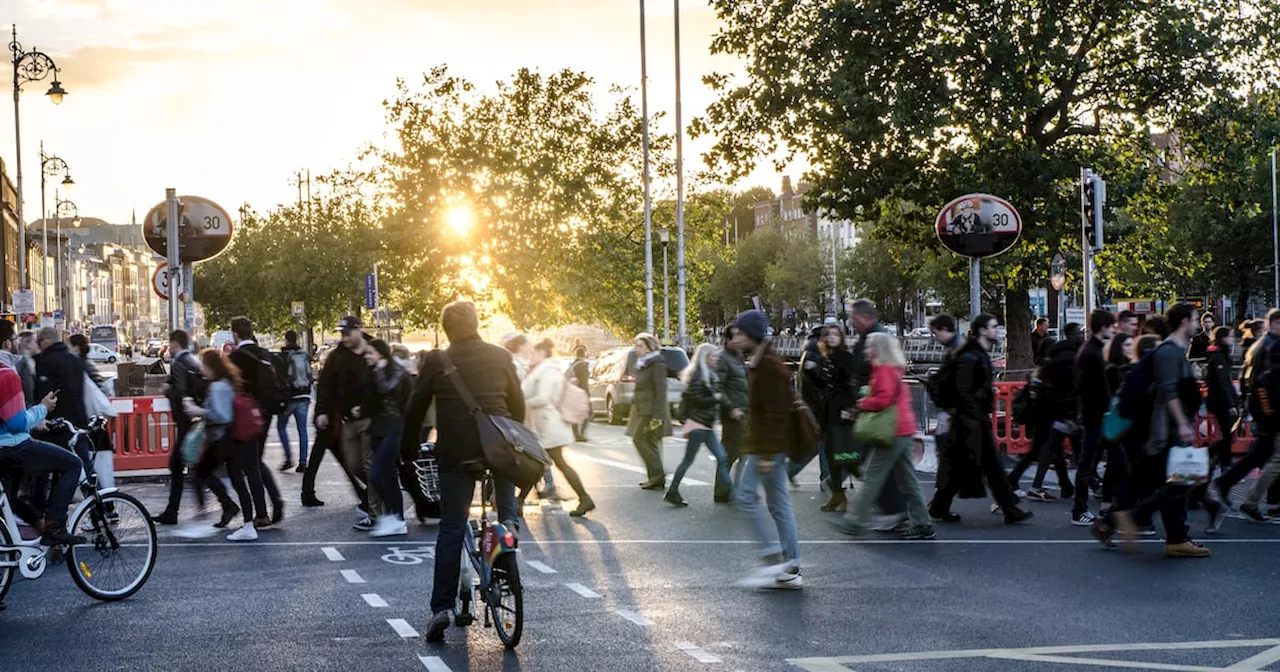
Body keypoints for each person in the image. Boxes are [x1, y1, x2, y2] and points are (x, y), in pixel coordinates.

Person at [400, 301, 525, 642]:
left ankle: (441, 608)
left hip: (456, 455)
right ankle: (509, 526)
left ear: (447, 329)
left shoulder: (438, 361)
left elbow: (415, 408)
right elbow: (518, 406)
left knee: (452, 529)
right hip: (498, 448)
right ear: (475, 324)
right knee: (503, 502)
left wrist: (407, 449)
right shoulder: (500, 356)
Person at [1095, 303, 1209, 557]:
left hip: (1160, 431)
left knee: (1146, 483)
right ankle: (1145, 524)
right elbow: (1169, 392)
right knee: (1180, 482)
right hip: (1163, 432)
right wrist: (1182, 424)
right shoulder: (1169, 353)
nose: (1198, 325)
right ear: (1183, 322)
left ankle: (1111, 524)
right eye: (1195, 320)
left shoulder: (1173, 351)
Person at [930, 315, 1034, 525]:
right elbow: (962, 390)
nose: (997, 330)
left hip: (969, 420)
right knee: (980, 465)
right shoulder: (971, 356)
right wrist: (975, 414)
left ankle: (941, 507)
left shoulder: (974, 354)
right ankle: (1009, 509)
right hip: (969, 421)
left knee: (972, 465)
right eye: (993, 327)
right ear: (982, 330)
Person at [833, 333, 935, 540]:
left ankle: (854, 521)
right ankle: (923, 523)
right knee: (908, 480)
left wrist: (863, 403)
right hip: (903, 429)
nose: (865, 350)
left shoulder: (883, 370)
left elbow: (883, 400)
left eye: (869, 346)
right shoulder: (895, 369)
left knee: (871, 476)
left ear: (878, 349)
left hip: (891, 431)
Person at [732, 310, 802, 589]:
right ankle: (791, 565)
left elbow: (776, 415)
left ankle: (772, 554)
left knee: (747, 495)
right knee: (778, 504)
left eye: (738, 333)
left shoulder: (769, 366)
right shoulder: (761, 362)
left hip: (766, 447)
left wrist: (769, 457)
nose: (734, 338)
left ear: (751, 334)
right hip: (766, 445)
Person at [182, 349, 261, 541]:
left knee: (200, 474)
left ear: (210, 367)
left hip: (221, 439)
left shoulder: (218, 387)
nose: (201, 368)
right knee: (236, 480)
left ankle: (207, 517)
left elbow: (222, 415)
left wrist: (198, 410)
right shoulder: (227, 383)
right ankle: (245, 522)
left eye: (203, 364)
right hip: (231, 439)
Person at [0, 360, 80, 547]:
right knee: (73, 464)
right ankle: (54, 528)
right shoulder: (6, 374)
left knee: (11, 500)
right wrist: (42, 408)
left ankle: (41, 529)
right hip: (12, 447)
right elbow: (16, 423)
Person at [302, 316, 372, 520]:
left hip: (365, 417)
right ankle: (367, 496)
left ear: (359, 330)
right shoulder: (337, 356)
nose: (345, 337)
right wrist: (321, 412)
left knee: (361, 462)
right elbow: (324, 386)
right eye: (342, 333)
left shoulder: (373, 349)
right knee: (350, 462)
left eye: (348, 332)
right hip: (340, 418)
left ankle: (370, 498)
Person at [1211, 309, 1280, 513]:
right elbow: (1263, 383)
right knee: (1268, 456)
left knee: (1261, 454)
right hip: (1268, 410)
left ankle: (1230, 486)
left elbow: (1248, 380)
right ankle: (1244, 495)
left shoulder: (1262, 346)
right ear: (1275, 324)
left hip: (1263, 408)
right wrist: (1268, 414)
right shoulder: (1271, 347)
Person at [1006, 323, 1080, 503]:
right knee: (1046, 449)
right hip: (1048, 415)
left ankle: (1064, 485)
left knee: (1050, 449)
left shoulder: (1040, 369)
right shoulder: (1053, 367)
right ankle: (1030, 484)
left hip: (1042, 416)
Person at [847, 299, 905, 525]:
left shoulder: (876, 343)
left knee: (871, 465)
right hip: (884, 416)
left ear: (863, 318)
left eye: (853, 318)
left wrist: (862, 401)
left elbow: (883, 391)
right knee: (894, 469)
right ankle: (904, 511)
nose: (851, 323)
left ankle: (891, 509)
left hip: (880, 416)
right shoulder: (871, 339)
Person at [523, 339, 595, 517]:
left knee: (546, 463)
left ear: (541, 354)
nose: (530, 357)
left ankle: (584, 498)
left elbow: (543, 398)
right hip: (547, 425)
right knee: (545, 464)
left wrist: (521, 402)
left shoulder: (547, 371)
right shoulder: (545, 370)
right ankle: (583, 498)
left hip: (550, 425)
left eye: (533, 353)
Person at [226, 317, 284, 527]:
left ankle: (261, 513)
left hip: (247, 416)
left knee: (250, 465)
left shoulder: (235, 358)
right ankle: (276, 500)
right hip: (266, 414)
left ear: (235, 334)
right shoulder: (264, 353)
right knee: (256, 461)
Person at [666, 343, 734, 507]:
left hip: (705, 424)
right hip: (698, 424)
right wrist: (715, 398)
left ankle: (733, 492)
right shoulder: (698, 375)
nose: (716, 359)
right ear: (705, 357)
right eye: (713, 356)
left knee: (721, 458)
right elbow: (698, 400)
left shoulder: (709, 374)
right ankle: (672, 491)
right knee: (691, 460)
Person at [798, 323, 855, 511]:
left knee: (844, 456)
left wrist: (849, 407)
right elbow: (824, 385)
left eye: (835, 334)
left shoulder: (845, 357)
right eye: (828, 334)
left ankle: (873, 490)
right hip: (828, 412)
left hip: (840, 412)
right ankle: (838, 494)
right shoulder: (827, 357)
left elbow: (848, 384)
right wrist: (814, 371)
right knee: (832, 455)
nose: (831, 338)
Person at [154, 330, 209, 525]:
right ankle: (173, 511)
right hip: (196, 420)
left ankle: (172, 512)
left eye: (170, 343)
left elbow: (181, 392)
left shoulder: (178, 364)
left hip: (186, 422)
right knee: (193, 464)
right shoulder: (193, 361)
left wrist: (169, 391)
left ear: (175, 344)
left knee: (178, 465)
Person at [1069, 310, 1116, 526]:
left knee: (1093, 462)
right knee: (1088, 463)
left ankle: (1096, 506)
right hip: (1095, 416)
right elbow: (1089, 388)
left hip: (1096, 415)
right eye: (1111, 325)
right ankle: (1079, 510)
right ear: (1103, 327)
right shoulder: (1091, 353)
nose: (1113, 329)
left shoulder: (1092, 351)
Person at [363, 339, 412, 537]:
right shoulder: (374, 372)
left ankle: (393, 518)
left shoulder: (395, 373)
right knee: (389, 476)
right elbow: (370, 399)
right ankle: (397, 519)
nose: (367, 356)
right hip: (378, 428)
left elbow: (386, 389)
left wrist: (380, 370)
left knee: (377, 473)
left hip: (394, 427)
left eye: (370, 353)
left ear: (381, 354)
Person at [628, 333, 669, 490]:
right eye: (636, 346)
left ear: (649, 347)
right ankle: (655, 478)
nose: (637, 349)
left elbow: (661, 390)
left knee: (639, 439)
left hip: (651, 411)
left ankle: (658, 476)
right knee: (649, 442)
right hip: (643, 409)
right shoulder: (644, 363)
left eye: (640, 346)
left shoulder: (657, 363)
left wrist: (657, 416)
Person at [715, 325, 749, 504]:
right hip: (734, 413)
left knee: (730, 453)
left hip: (742, 410)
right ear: (727, 340)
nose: (740, 340)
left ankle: (725, 491)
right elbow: (717, 388)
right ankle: (737, 490)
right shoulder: (723, 358)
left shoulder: (738, 357)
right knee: (739, 451)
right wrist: (730, 409)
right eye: (735, 336)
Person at [34, 326, 87, 430]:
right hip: (78, 416)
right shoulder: (74, 359)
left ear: (46, 340)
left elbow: (44, 392)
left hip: (56, 421)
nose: (38, 345)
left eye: (39, 341)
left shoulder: (46, 362)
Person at [277, 330, 313, 473]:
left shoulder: (283, 356)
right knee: (302, 430)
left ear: (286, 340)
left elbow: (280, 377)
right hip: (304, 396)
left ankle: (288, 458)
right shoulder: (304, 355)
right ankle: (303, 462)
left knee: (281, 426)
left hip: (289, 398)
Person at [569, 345, 591, 442]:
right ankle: (580, 434)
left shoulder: (572, 364)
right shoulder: (583, 365)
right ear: (584, 354)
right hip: (581, 393)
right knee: (589, 413)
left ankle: (575, 433)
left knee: (575, 413)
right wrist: (587, 394)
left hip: (573, 392)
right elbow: (584, 382)